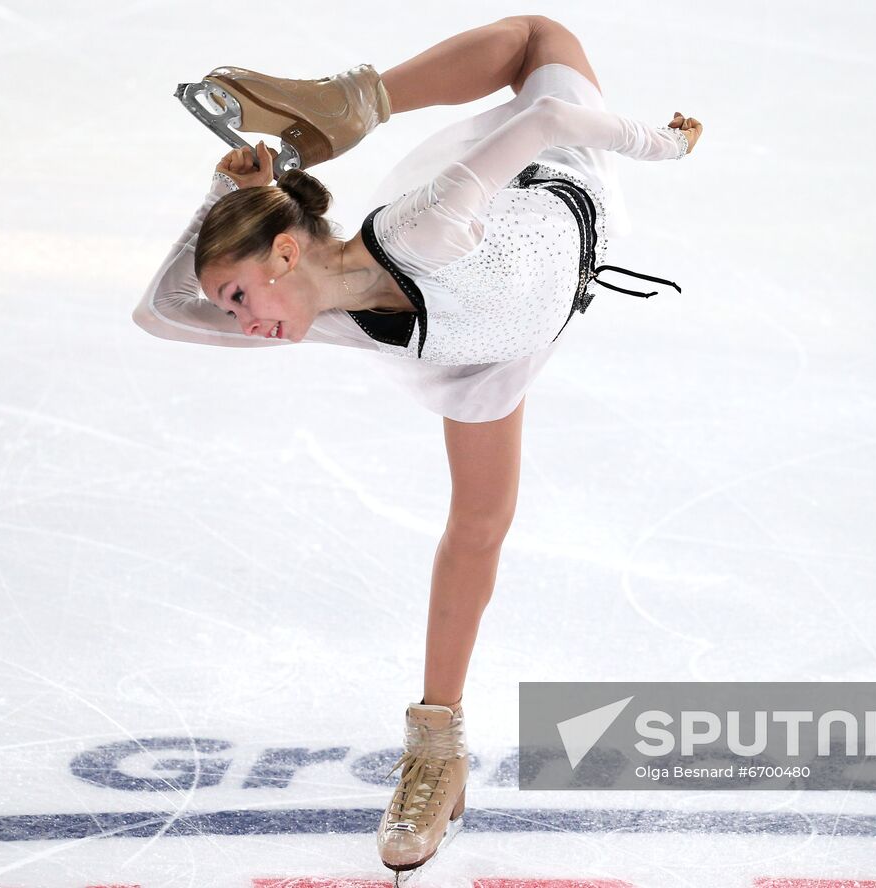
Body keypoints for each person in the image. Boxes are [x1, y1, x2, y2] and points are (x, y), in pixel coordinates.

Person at [133, 15, 701, 881]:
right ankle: (437, 750)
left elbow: (549, 119)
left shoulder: (424, 226)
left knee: (537, 38)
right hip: (490, 347)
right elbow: (162, 313)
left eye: (239, 294)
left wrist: (666, 145)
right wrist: (226, 193)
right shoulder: (329, 319)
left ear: (284, 253)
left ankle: (358, 100)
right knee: (477, 529)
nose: (239, 322)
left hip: (556, 197)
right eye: (231, 306)